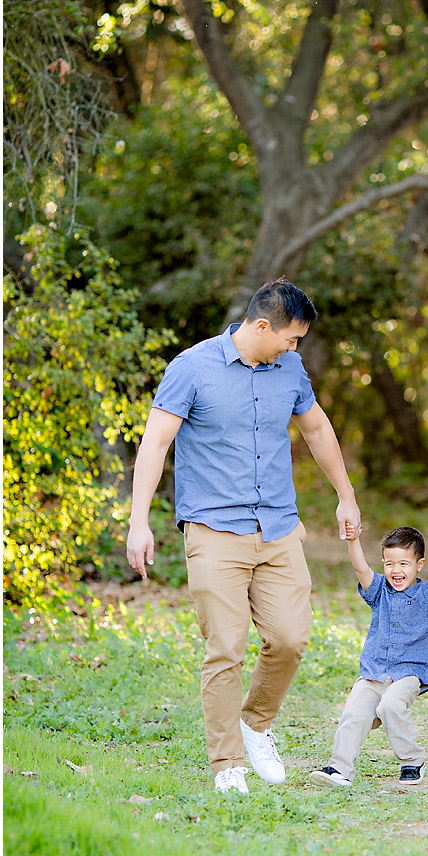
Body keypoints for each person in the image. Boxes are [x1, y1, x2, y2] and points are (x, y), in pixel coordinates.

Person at [126, 277, 361, 796]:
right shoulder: (192, 369)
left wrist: (345, 494)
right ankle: (227, 761)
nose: (294, 348)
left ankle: (255, 725)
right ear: (261, 326)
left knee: (290, 638)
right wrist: (139, 521)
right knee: (226, 648)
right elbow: (155, 443)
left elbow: (317, 429)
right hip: (213, 530)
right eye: (291, 338)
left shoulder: (290, 369)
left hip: (277, 526)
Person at [309, 526, 428, 788]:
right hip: (375, 671)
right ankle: (340, 768)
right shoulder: (380, 589)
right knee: (354, 713)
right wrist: (353, 539)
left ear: (419, 565)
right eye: (390, 563)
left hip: (410, 673)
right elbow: (361, 569)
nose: (396, 570)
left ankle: (412, 760)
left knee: (390, 706)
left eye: (404, 563)